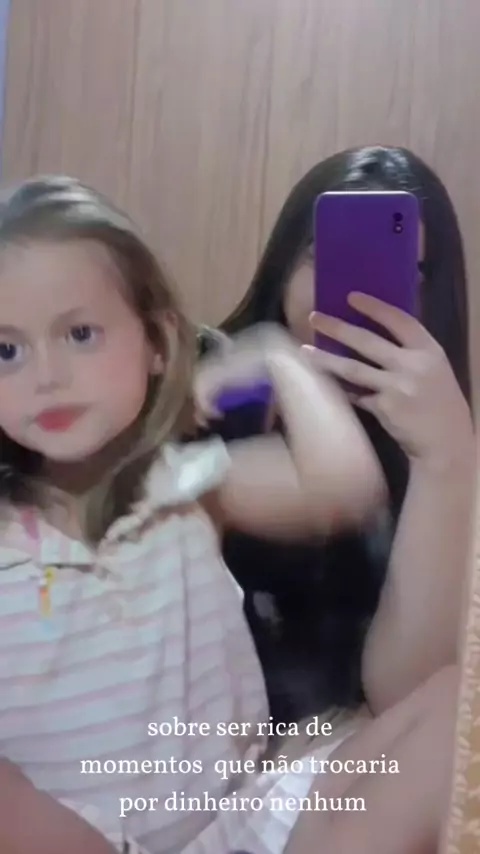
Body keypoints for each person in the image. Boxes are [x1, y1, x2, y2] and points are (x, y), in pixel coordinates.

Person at [0, 176, 468, 854]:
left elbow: (345, 483)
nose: (46, 376)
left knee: (456, 705)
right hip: (74, 836)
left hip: (230, 822)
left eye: (80, 333)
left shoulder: (184, 487)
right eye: (6, 350)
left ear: (158, 342)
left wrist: (277, 357)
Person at [215, 145, 474, 722]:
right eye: (322, 255)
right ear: (285, 262)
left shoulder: (441, 454)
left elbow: (408, 697)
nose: (354, 293)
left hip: (342, 757)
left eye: (397, 270)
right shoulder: (208, 382)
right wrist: (280, 363)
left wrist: (446, 459)